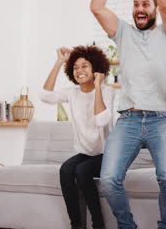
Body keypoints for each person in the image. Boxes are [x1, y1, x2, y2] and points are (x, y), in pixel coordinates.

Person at [90, 0, 166, 228]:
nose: (140, 9)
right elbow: (96, 7)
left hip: (161, 119)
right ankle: (127, 225)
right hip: (128, 119)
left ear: (154, 9)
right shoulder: (122, 32)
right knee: (108, 179)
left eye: (146, 4)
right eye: (136, 4)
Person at [41, 46, 115, 229]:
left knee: (82, 171)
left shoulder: (107, 91)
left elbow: (101, 120)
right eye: (75, 67)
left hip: (107, 154)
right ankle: (76, 225)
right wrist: (59, 62)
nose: (79, 71)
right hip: (85, 153)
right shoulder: (72, 93)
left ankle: (98, 224)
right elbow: (45, 95)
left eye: (85, 66)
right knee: (66, 170)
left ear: (96, 68)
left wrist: (98, 86)